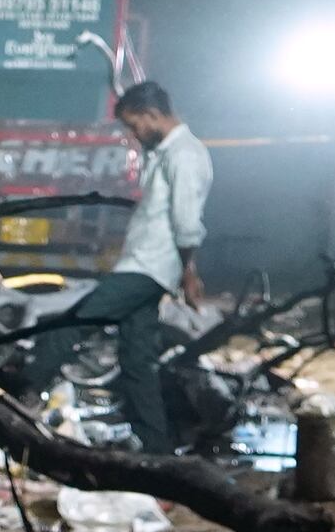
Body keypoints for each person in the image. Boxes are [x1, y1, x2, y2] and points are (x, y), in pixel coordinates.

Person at [37, 78, 210, 453]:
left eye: (135, 125)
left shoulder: (185, 155)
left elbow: (186, 222)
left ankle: (5, 396)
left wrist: (189, 273)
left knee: (68, 327)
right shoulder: (165, 153)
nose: (134, 134)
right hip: (142, 266)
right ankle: (157, 450)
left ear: (152, 114)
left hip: (148, 270)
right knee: (137, 361)